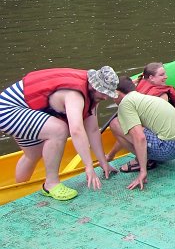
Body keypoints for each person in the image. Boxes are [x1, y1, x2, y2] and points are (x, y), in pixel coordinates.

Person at [0, 66, 120, 201]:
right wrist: (88, 166)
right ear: (93, 86)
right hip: (9, 110)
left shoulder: (94, 94)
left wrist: (103, 162)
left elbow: (92, 130)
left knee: (33, 154)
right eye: (103, 92)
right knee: (59, 130)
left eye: (108, 93)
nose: (105, 97)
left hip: (25, 107)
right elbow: (76, 130)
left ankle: (18, 191)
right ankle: (50, 184)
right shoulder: (75, 94)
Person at [108, 77, 175, 190]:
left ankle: (144, 162)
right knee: (139, 127)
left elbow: (139, 137)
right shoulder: (144, 97)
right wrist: (111, 155)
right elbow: (129, 132)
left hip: (168, 149)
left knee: (115, 123)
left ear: (116, 93)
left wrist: (143, 172)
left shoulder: (125, 103)